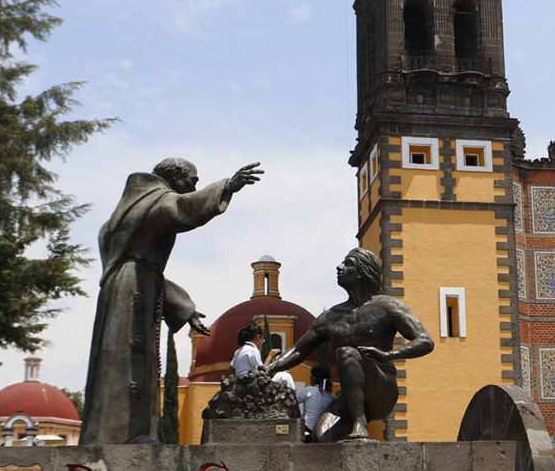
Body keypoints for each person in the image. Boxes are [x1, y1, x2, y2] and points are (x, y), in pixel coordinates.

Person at [80, 158, 263, 445]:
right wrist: (228, 186)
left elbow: (144, 263)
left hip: (131, 285)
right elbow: (181, 209)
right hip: (134, 289)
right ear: (175, 177)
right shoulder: (155, 200)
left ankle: (120, 433)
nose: (194, 186)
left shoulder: (128, 210)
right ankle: (124, 435)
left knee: (125, 359)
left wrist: (182, 307)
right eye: (192, 179)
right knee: (130, 360)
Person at [267, 248, 434, 442]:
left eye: (348, 264)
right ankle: (355, 421)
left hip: (381, 385)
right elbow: (298, 350)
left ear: (362, 271)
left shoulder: (387, 306)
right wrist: (269, 368)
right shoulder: (331, 317)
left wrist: (389, 355)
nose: (339, 267)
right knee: (321, 439)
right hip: (348, 397)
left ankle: (359, 424)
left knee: (346, 353)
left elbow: (425, 341)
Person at [297, 367, 334, 442]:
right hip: (323, 431)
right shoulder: (331, 396)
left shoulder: (308, 390)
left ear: (313, 378)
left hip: (307, 429)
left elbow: (292, 402)